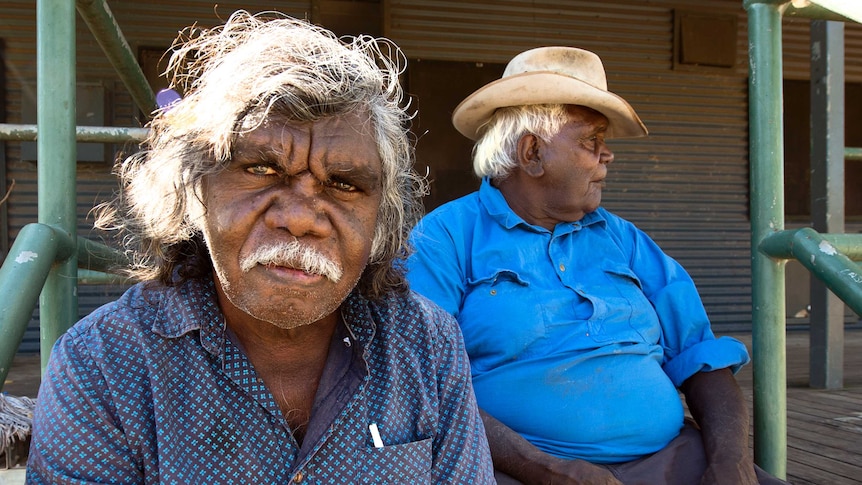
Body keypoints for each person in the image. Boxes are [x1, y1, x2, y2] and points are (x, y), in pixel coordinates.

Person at [27, 11, 494, 484]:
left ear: (381, 219)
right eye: (260, 170)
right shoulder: (104, 366)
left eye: (344, 184)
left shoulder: (427, 345)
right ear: (194, 191)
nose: (299, 218)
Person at [407, 46, 787, 485]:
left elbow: (700, 356)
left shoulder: (624, 240)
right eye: (592, 141)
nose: (607, 156)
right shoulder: (445, 238)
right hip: (514, 468)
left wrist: (730, 463)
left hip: (667, 456)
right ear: (532, 152)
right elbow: (424, 384)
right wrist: (549, 470)